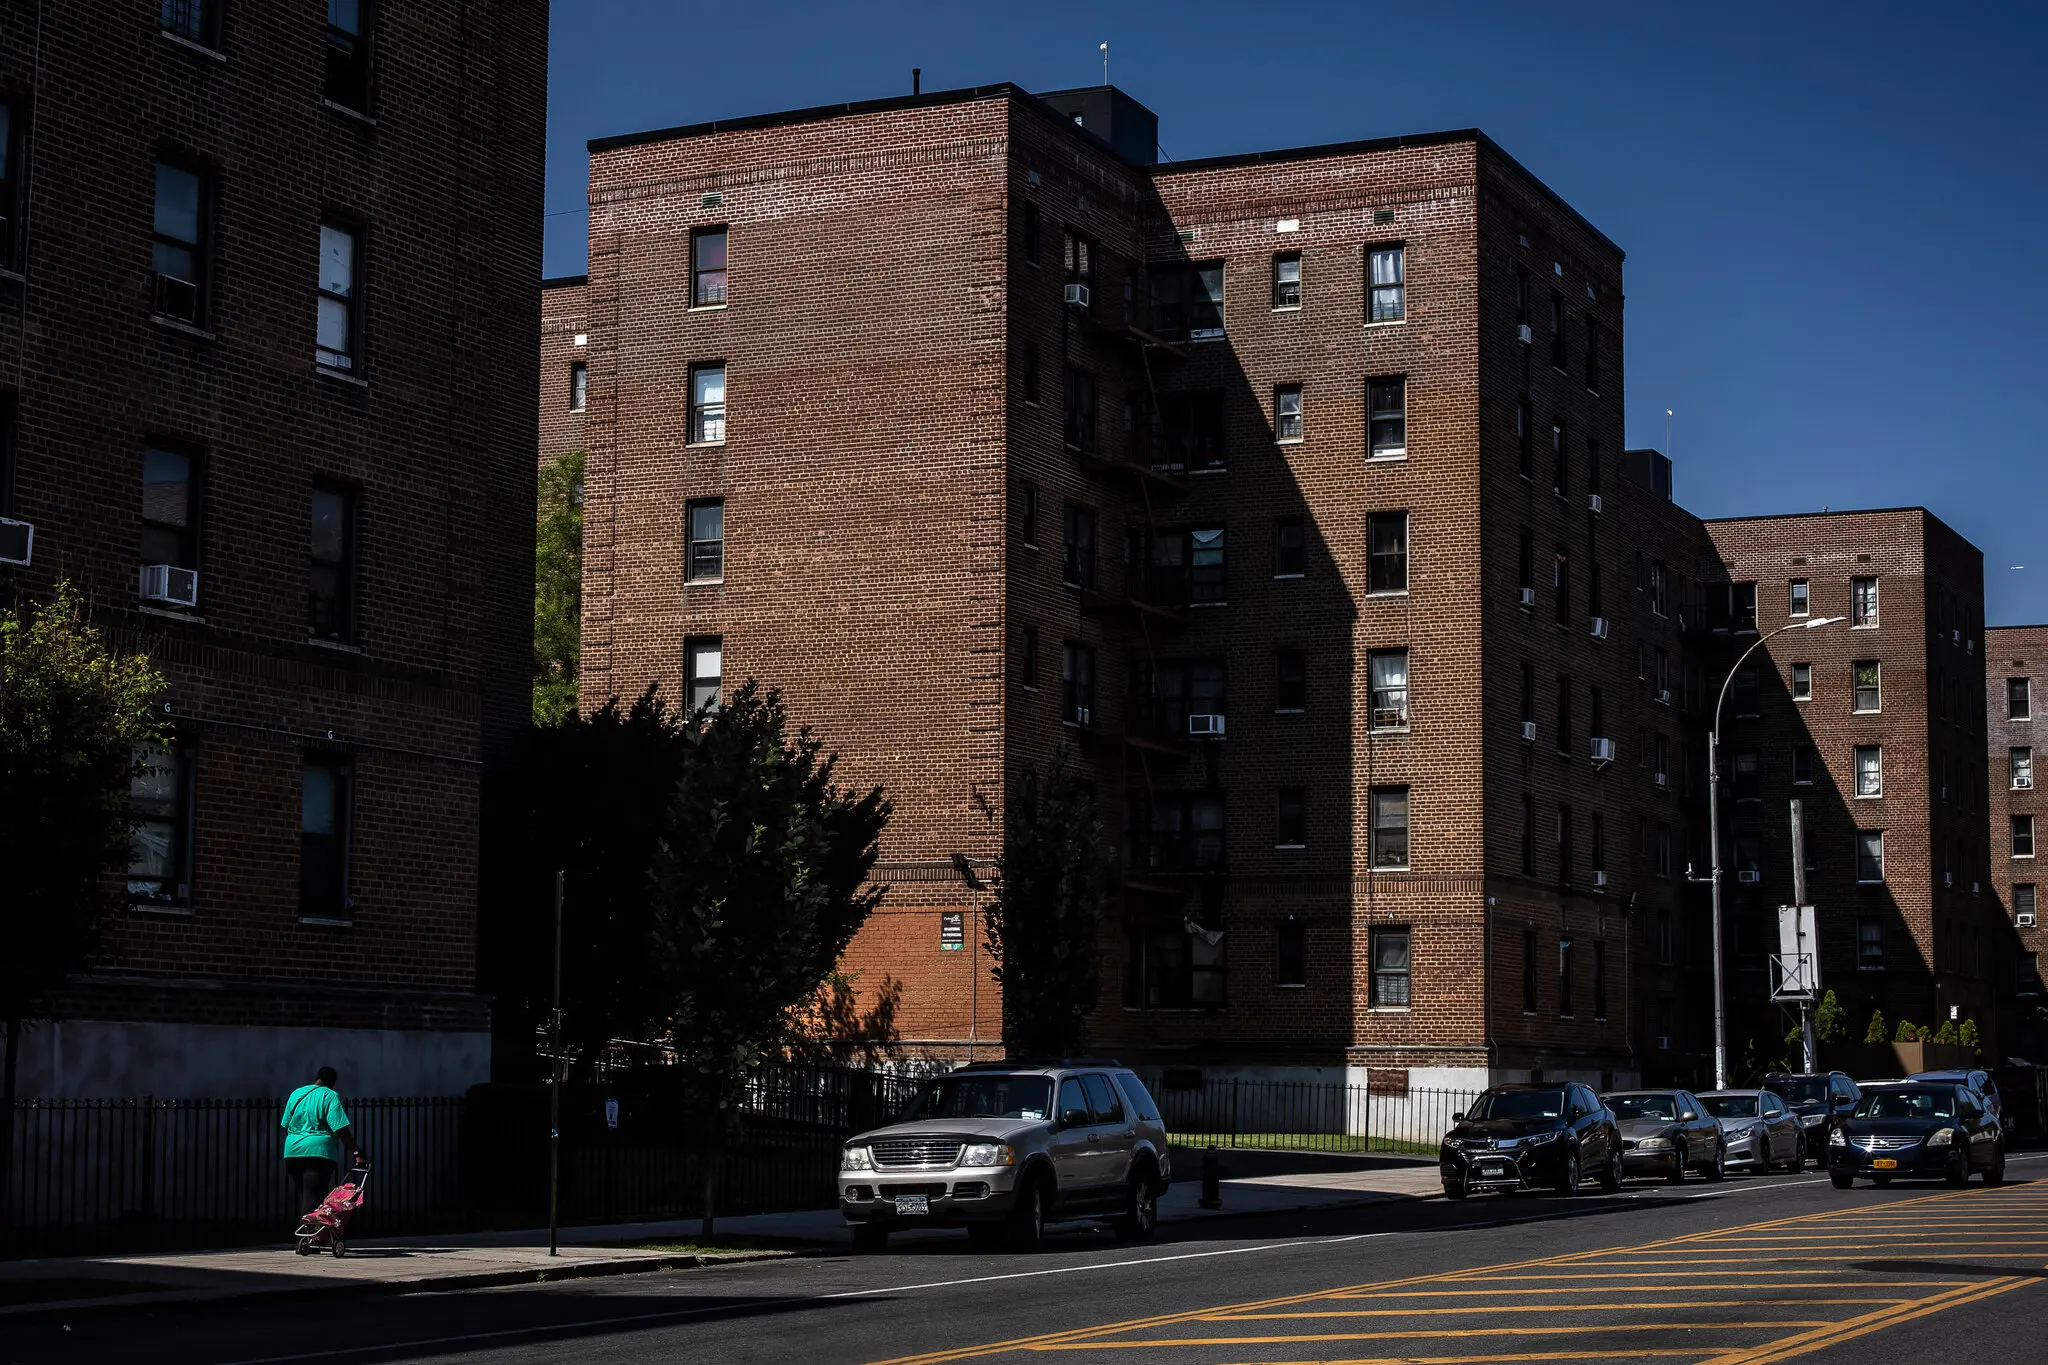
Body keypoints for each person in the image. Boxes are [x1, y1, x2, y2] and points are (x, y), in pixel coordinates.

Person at [280, 1066, 363, 1226]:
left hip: (292, 1152)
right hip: (319, 1152)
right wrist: (356, 1151)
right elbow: (340, 1128)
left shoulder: (297, 1094)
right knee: (313, 1196)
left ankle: (319, 1235)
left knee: (310, 1194)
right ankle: (306, 1237)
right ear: (332, 1082)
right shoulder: (330, 1096)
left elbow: (286, 1124)